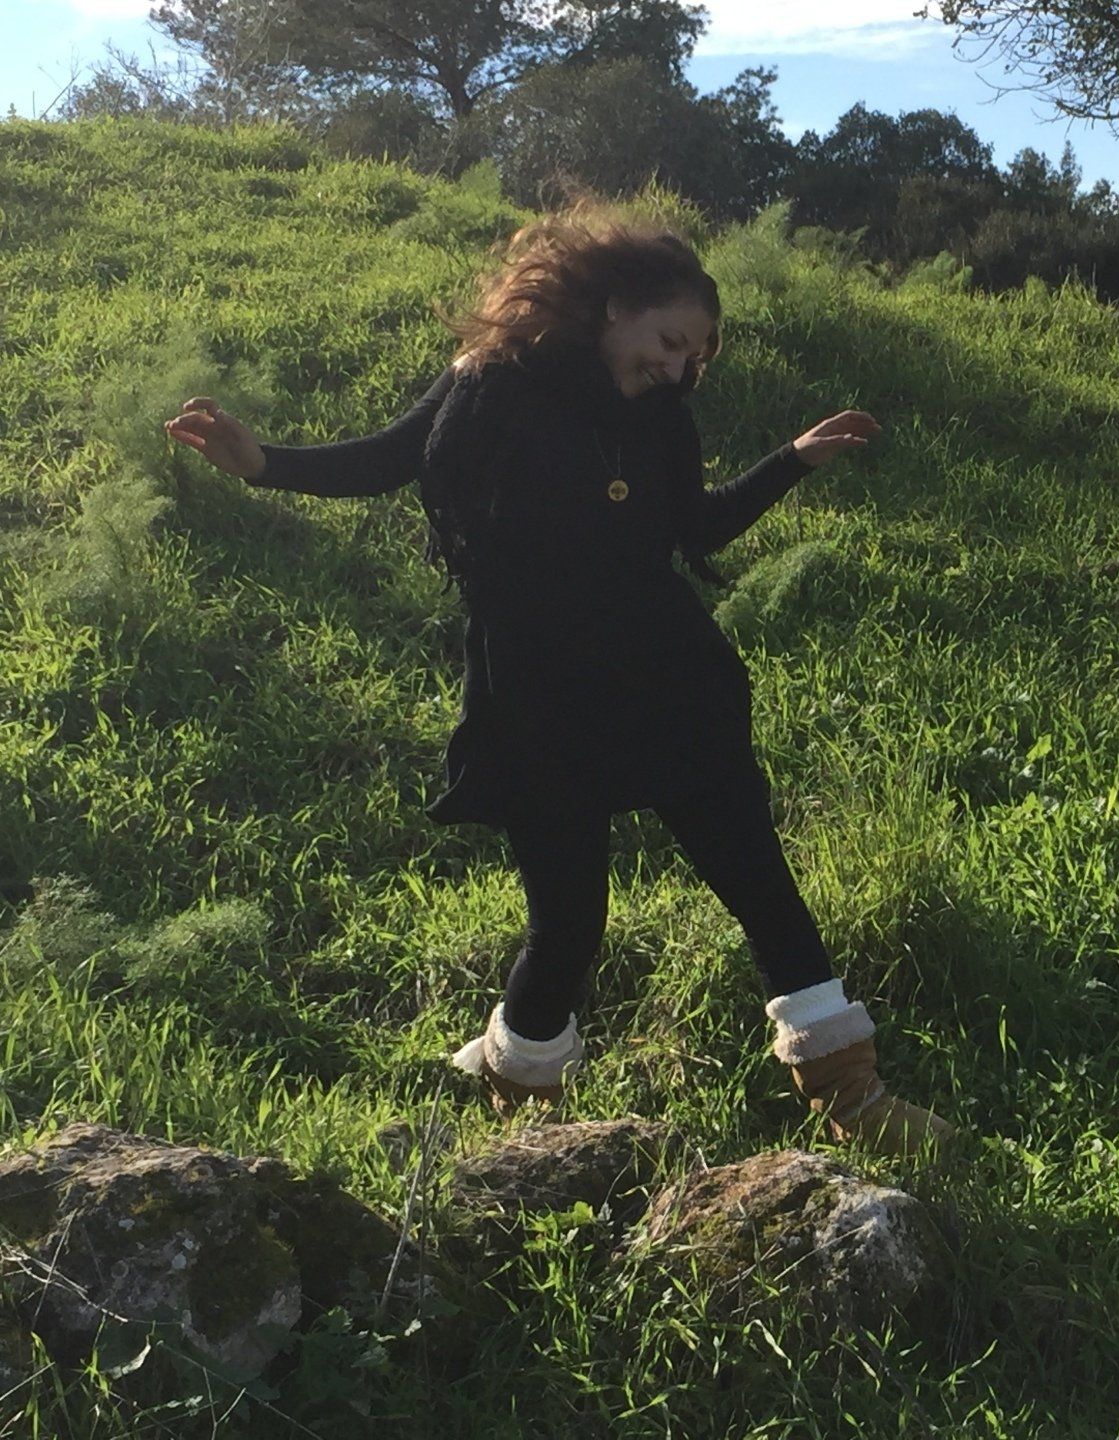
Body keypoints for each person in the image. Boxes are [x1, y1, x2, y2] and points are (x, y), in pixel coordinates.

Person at [162, 200, 954, 1159]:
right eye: (670, 341)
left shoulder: (661, 418)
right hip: (537, 694)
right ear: (614, 307)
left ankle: (849, 1091)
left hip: (666, 677)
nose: (678, 368)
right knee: (571, 922)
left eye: (696, 356)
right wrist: (262, 465)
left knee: (757, 875)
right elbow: (386, 459)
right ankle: (519, 1089)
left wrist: (792, 461)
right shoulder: (489, 383)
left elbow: (695, 528)